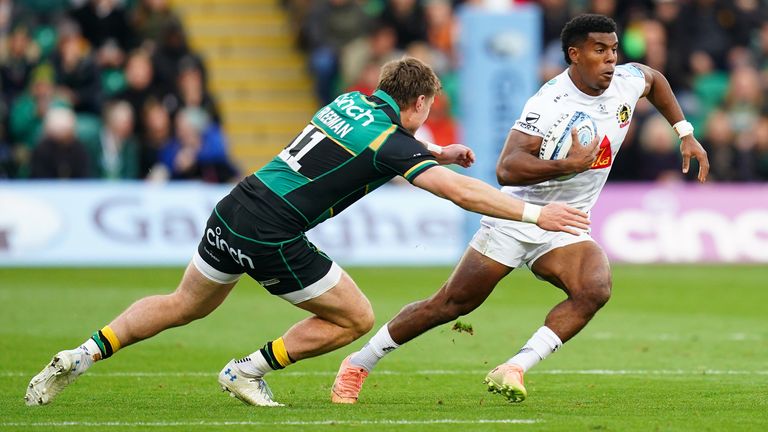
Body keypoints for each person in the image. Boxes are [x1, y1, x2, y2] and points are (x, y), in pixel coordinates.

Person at [24, 57, 590, 407]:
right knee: (355, 318)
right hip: (272, 232)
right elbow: (458, 191)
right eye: (428, 110)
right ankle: (248, 370)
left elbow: (362, 149)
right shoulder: (390, 142)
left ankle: (81, 354)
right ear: (418, 103)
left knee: (183, 304)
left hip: (235, 206)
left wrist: (433, 150)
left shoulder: (348, 102)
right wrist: (537, 215)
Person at [331, 15, 710, 405]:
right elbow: (507, 167)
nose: (611, 60)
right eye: (600, 51)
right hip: (516, 214)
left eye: (614, 50)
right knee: (452, 304)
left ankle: (514, 367)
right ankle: (359, 363)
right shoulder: (550, 102)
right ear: (574, 55)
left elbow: (655, 79)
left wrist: (685, 133)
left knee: (594, 288)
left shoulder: (627, 82)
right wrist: (568, 165)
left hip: (566, 222)